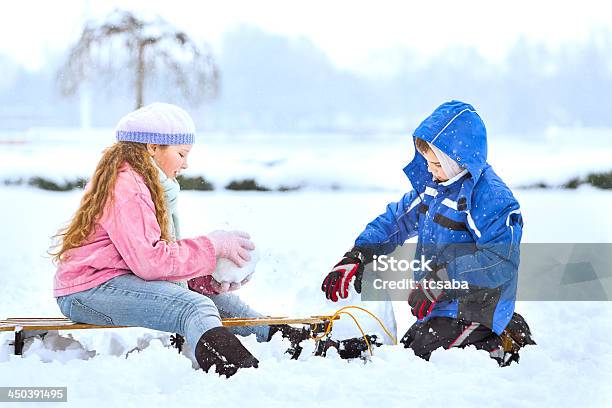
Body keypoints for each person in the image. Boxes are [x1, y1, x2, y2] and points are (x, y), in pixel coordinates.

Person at [51, 103, 308, 377]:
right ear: (152, 147)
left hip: (113, 281)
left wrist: (203, 279)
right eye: (181, 154)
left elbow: (146, 258)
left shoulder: (142, 183)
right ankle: (241, 374)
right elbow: (150, 261)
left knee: (213, 299)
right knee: (193, 307)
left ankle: (288, 341)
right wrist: (213, 246)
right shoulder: (128, 188)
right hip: (88, 291)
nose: (186, 164)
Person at [321, 100, 535, 366]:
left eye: (436, 163)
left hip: (476, 305)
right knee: (412, 347)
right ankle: (495, 329)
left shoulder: (492, 199)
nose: (431, 171)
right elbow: (394, 221)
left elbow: (500, 259)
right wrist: (359, 254)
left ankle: (498, 343)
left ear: (458, 160)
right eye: (428, 163)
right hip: (441, 302)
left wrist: (442, 279)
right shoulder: (435, 188)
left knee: (421, 358)